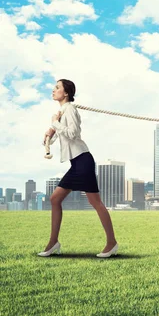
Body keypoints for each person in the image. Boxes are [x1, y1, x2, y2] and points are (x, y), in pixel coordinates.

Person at [38, 79, 119, 258]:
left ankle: (112, 243)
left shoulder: (70, 109)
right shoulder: (61, 113)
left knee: (95, 203)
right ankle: (53, 243)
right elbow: (61, 137)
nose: (54, 90)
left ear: (66, 93)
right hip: (76, 163)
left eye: (57, 87)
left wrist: (55, 123)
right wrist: (49, 135)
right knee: (55, 199)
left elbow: (73, 133)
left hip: (83, 161)